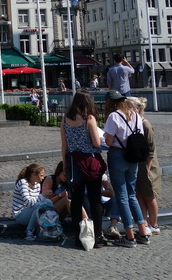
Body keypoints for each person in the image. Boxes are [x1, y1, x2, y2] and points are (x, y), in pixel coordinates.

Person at [104, 90, 151, 247]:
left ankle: (129, 235)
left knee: (122, 195)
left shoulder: (113, 116)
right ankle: (143, 232)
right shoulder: (135, 114)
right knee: (131, 194)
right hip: (133, 156)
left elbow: (109, 141)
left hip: (118, 155)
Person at [61, 89, 106, 248]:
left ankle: (78, 236)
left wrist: (65, 164)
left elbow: (64, 145)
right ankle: (98, 235)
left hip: (73, 161)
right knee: (95, 199)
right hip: (89, 161)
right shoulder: (89, 119)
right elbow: (96, 143)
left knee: (76, 200)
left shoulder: (65, 119)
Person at [129, 97, 162, 235]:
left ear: (138, 109)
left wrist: (147, 169)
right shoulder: (134, 123)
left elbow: (150, 149)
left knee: (149, 194)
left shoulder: (146, 125)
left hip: (148, 164)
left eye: (129, 107)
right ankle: (144, 223)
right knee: (139, 195)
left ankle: (154, 224)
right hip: (138, 162)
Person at [11, 163, 48, 240]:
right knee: (39, 206)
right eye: (41, 175)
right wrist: (42, 195)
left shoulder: (37, 185)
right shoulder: (23, 183)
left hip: (31, 211)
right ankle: (29, 231)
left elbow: (35, 201)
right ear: (34, 174)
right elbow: (29, 203)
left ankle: (50, 229)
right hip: (20, 214)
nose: (43, 178)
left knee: (48, 202)